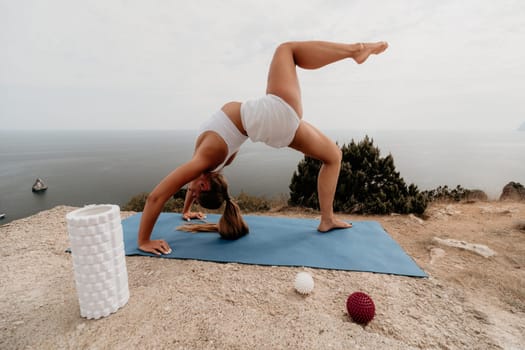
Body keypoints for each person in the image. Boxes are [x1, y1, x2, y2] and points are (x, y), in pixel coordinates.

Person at [138, 40, 388, 255]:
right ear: (204, 183)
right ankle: (356, 50)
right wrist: (144, 240)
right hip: (273, 114)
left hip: (273, 129)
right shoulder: (204, 162)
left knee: (334, 156)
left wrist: (187, 211)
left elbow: (194, 188)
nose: (188, 189)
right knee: (287, 50)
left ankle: (327, 220)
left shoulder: (209, 168)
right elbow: (157, 197)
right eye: (192, 189)